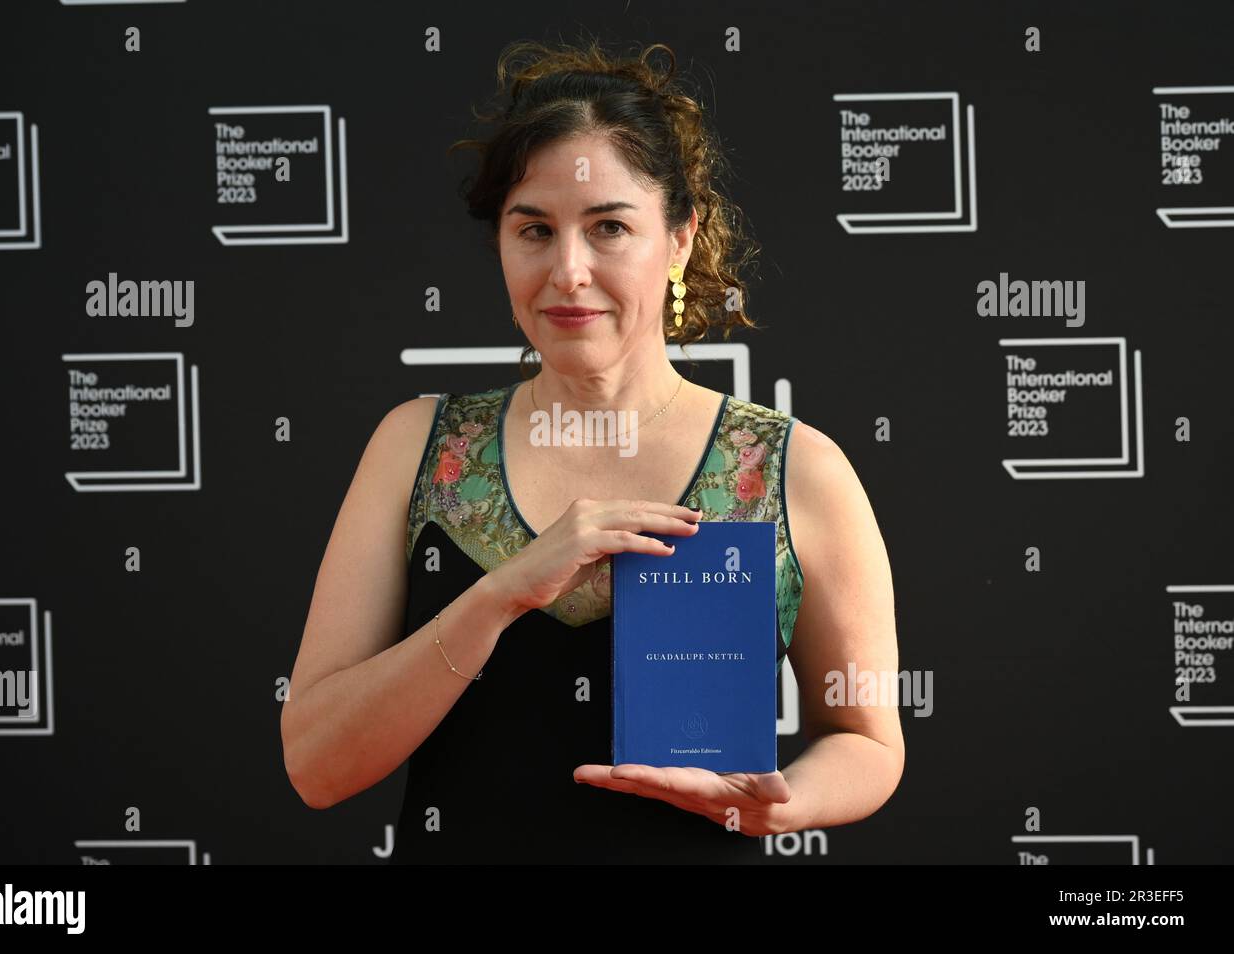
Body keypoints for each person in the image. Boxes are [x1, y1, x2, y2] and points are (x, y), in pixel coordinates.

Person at [281, 37, 903, 863]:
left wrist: (772, 811)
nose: (568, 271)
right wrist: (500, 595)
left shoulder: (794, 467)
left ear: (680, 237)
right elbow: (317, 767)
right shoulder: (417, 448)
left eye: (609, 226)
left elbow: (866, 740)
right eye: (533, 229)